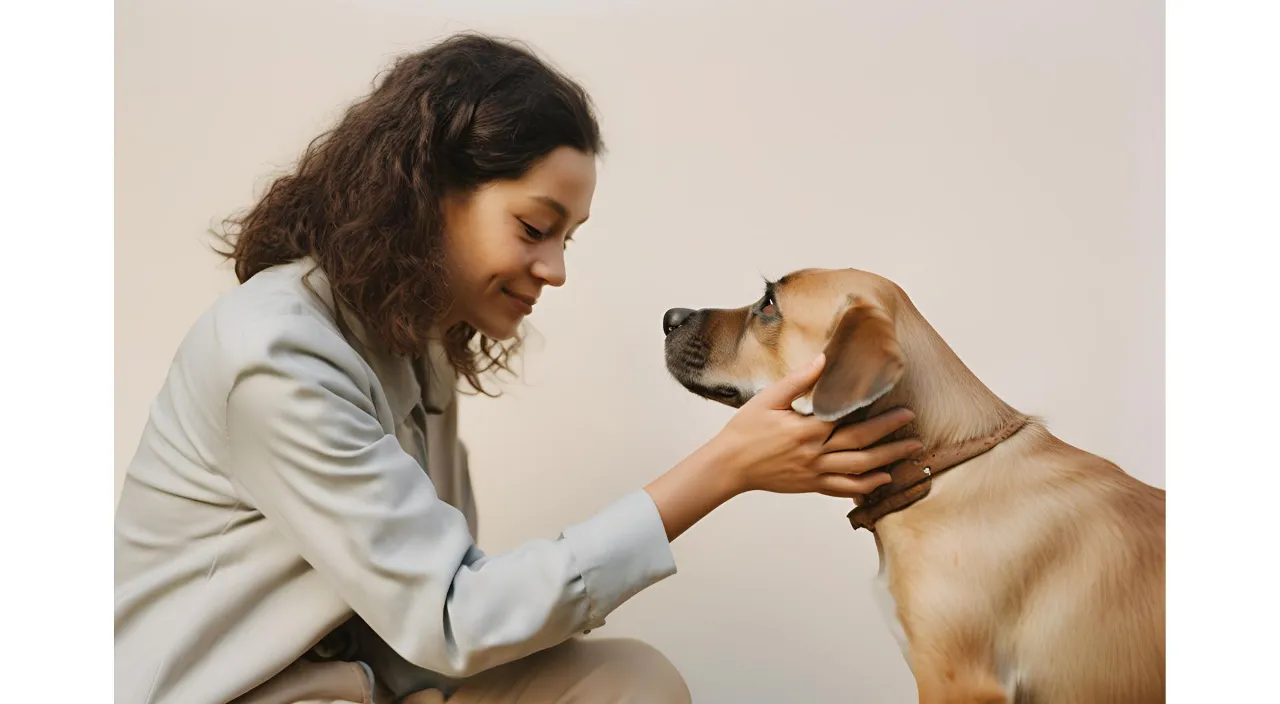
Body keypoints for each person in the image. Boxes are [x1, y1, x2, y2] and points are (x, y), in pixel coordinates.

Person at [113, 33, 922, 704]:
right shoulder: (277, 354)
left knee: (626, 683)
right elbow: (456, 618)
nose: (556, 268)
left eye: (568, 238)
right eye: (535, 227)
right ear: (425, 193)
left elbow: (435, 609)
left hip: (368, 684)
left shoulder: (414, 344)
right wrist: (722, 469)